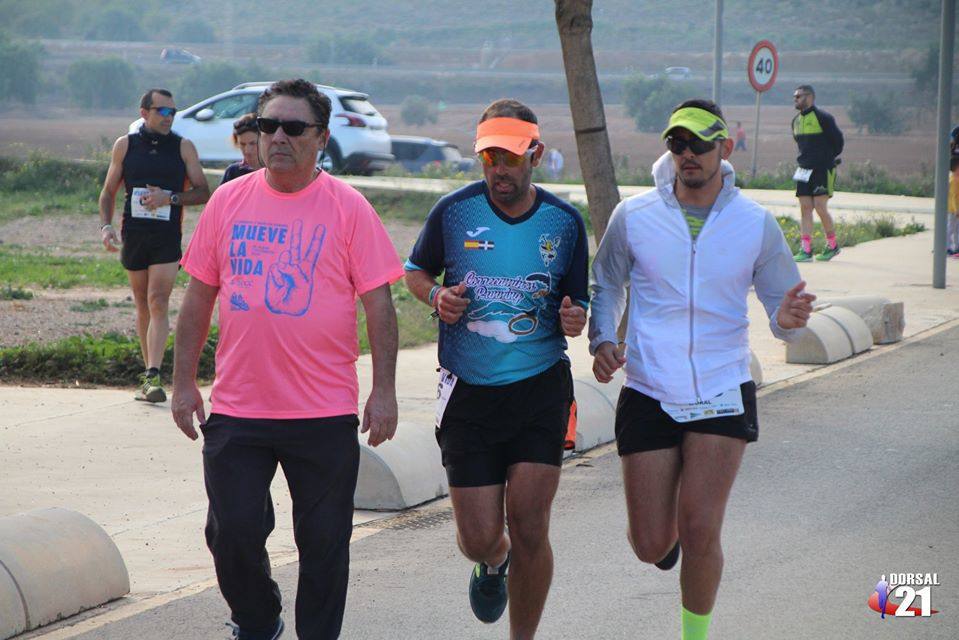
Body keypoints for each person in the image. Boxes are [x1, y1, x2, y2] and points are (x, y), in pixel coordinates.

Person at [171, 79, 404, 640]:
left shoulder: (348, 208)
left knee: (325, 545)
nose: (277, 136)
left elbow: (379, 302)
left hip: (321, 413)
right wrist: (182, 384)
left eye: (293, 127)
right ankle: (258, 618)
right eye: (267, 125)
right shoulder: (229, 199)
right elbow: (199, 296)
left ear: (320, 138)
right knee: (233, 533)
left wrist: (384, 390)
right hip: (238, 407)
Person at [589, 99, 815, 640]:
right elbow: (607, 284)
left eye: (698, 144)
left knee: (700, 526)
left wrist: (786, 322)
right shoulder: (635, 216)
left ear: (725, 149)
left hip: (721, 387)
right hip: (649, 387)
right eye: (677, 144)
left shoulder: (754, 224)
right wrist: (602, 338)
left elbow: (785, 312)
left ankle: (695, 635)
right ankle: (667, 553)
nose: (687, 154)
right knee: (649, 543)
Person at [404, 98, 588, 638]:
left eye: (508, 158)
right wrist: (437, 296)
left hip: (539, 390)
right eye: (488, 158)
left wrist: (575, 318)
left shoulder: (563, 222)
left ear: (535, 153)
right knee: (478, 537)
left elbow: (576, 306)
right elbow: (415, 272)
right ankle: (493, 560)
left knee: (531, 525)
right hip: (468, 393)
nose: (497, 171)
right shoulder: (454, 211)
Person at [98, 88, 210, 403]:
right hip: (134, 233)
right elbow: (107, 192)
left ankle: (153, 374)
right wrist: (106, 227)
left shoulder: (183, 147)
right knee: (143, 304)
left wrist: (170, 198)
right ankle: (148, 377)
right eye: (162, 111)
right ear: (144, 112)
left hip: (166, 236)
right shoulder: (125, 145)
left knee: (159, 300)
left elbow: (204, 192)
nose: (169, 117)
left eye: (173, 111)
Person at [791, 84, 844, 262]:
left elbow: (838, 142)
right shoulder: (795, 121)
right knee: (805, 208)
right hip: (803, 169)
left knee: (820, 207)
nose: (795, 99)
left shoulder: (824, 118)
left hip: (823, 169)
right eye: (794, 97)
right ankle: (806, 250)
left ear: (810, 97)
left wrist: (826, 159)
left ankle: (833, 245)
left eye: (798, 96)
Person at [220, 113, 263, 185]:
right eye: (242, 144)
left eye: (253, 143)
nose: (247, 150)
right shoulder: (233, 172)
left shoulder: (276, 171)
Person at [949, 156, 959, 257]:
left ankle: (956, 248)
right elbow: (953, 197)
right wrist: (956, 210)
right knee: (951, 229)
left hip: (956, 210)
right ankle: (947, 247)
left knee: (956, 229)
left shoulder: (956, 180)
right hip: (954, 210)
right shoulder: (953, 181)